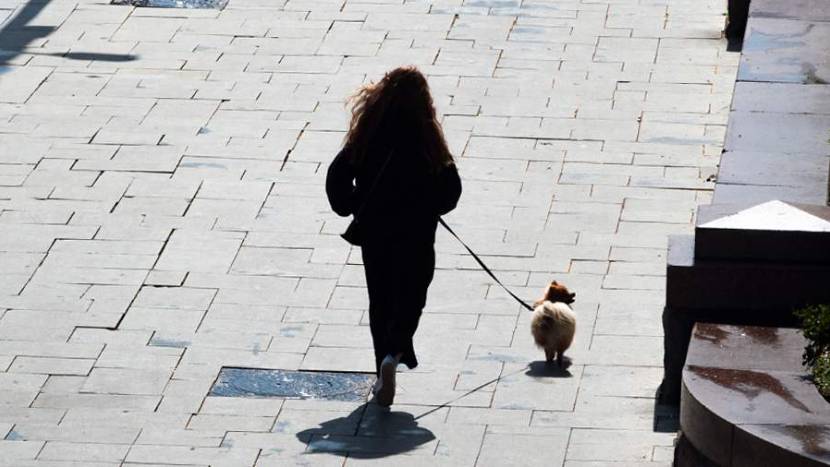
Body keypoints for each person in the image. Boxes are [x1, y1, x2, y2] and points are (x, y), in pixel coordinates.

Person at [325, 66, 462, 407]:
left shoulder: (369, 133)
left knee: (381, 301)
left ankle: (381, 373)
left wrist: (354, 204)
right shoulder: (427, 137)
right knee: (411, 298)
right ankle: (395, 353)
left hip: (376, 232)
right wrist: (429, 206)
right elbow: (451, 190)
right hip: (416, 235)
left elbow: (337, 178)